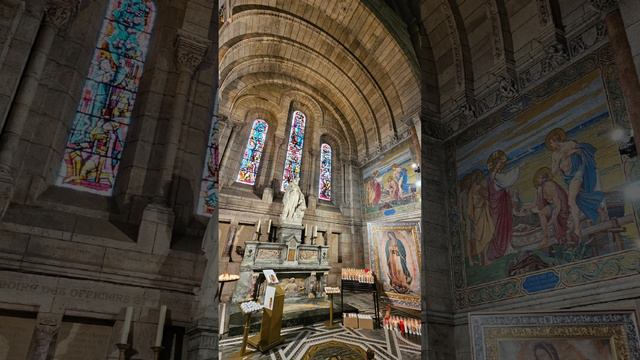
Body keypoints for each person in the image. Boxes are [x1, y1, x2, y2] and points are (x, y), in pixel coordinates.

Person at [546, 128, 605, 238]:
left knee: (571, 200)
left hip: (578, 173)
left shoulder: (570, 144)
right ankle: (600, 210)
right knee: (579, 199)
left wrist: (569, 153)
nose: (551, 145)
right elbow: (554, 171)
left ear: (555, 140)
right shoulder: (554, 155)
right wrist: (558, 161)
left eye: (551, 142)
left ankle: (577, 229)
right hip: (568, 178)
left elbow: (583, 151)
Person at [486, 150, 518, 260]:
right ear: (495, 164)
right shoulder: (494, 176)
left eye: (502, 163)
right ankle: (502, 249)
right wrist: (517, 169)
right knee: (500, 227)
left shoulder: (496, 175)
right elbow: (506, 182)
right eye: (499, 163)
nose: (501, 165)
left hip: (502, 204)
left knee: (506, 224)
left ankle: (508, 246)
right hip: (498, 206)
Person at [533, 167, 574, 246]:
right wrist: (523, 208)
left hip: (561, 208)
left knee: (541, 214)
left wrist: (553, 218)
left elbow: (558, 205)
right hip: (553, 207)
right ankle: (545, 236)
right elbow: (535, 204)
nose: (538, 180)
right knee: (539, 214)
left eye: (539, 178)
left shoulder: (549, 185)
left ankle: (545, 238)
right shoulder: (541, 188)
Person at [466, 170, 495, 265]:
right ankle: (484, 259)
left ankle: (483, 259)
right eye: (481, 178)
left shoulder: (472, 189)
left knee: (482, 237)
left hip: (479, 214)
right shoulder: (478, 188)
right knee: (484, 236)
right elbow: (485, 197)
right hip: (480, 214)